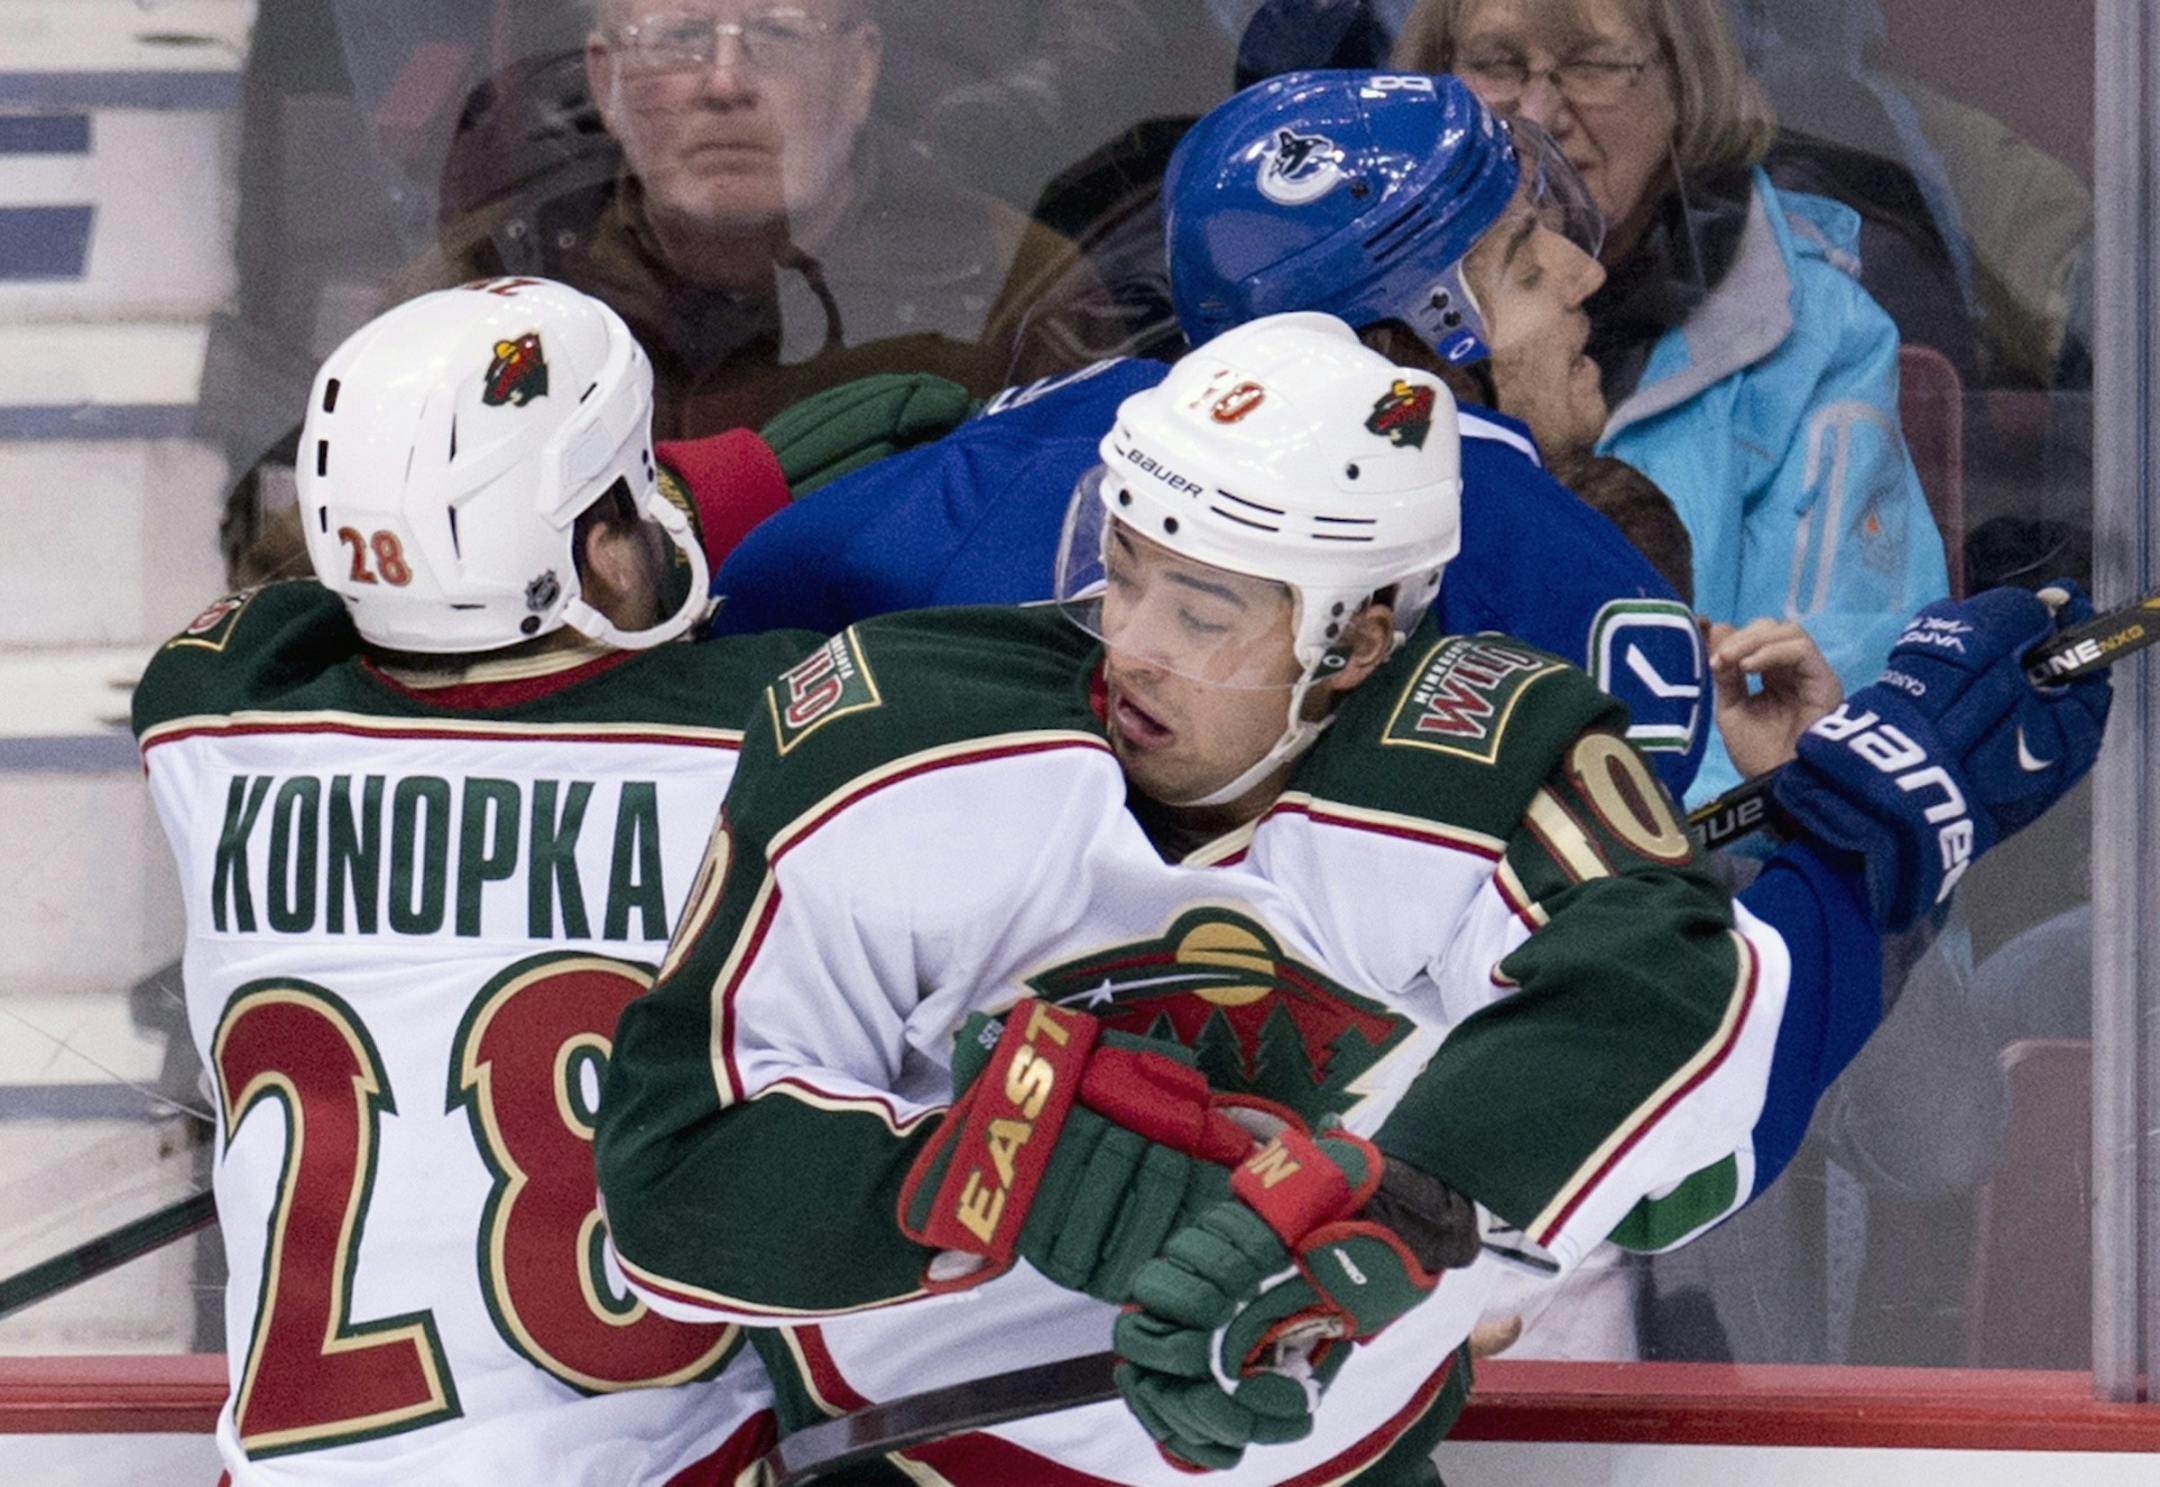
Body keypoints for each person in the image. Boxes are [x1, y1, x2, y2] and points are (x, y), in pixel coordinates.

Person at [596, 315, 2105, 1479]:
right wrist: (992, 1172)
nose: (1135, 641)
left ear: (1363, 631)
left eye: (1205, 608)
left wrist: (1388, 1206)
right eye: (1125, 568)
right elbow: (673, 1182)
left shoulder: (1498, 759)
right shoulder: (896, 732)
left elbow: (1679, 1021)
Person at [130, 280, 815, 1484]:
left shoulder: (211, 727)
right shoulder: (768, 742)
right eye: (630, 495)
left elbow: (289, 624)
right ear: (594, 550)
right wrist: (737, 479)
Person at [716, 70, 1717, 803]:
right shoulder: (1570, 572)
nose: (1585, 276)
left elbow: (748, 608)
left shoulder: (1039, 436)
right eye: (1526, 265)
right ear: (1414, 340)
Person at [1390, 0, 1951, 802]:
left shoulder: (1813, 333)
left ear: (1686, 81)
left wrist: (1600, 845)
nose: (1538, 114)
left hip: (1695, 856)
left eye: (1592, 64)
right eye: (1496, 64)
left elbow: (1832, 704)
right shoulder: (1366, 309)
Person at [395, 0, 1093, 439]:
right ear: (607, 82)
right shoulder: (486, 285)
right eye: (679, 37)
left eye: (777, 33)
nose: (724, 83)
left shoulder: (1019, 297)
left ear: (858, 71)